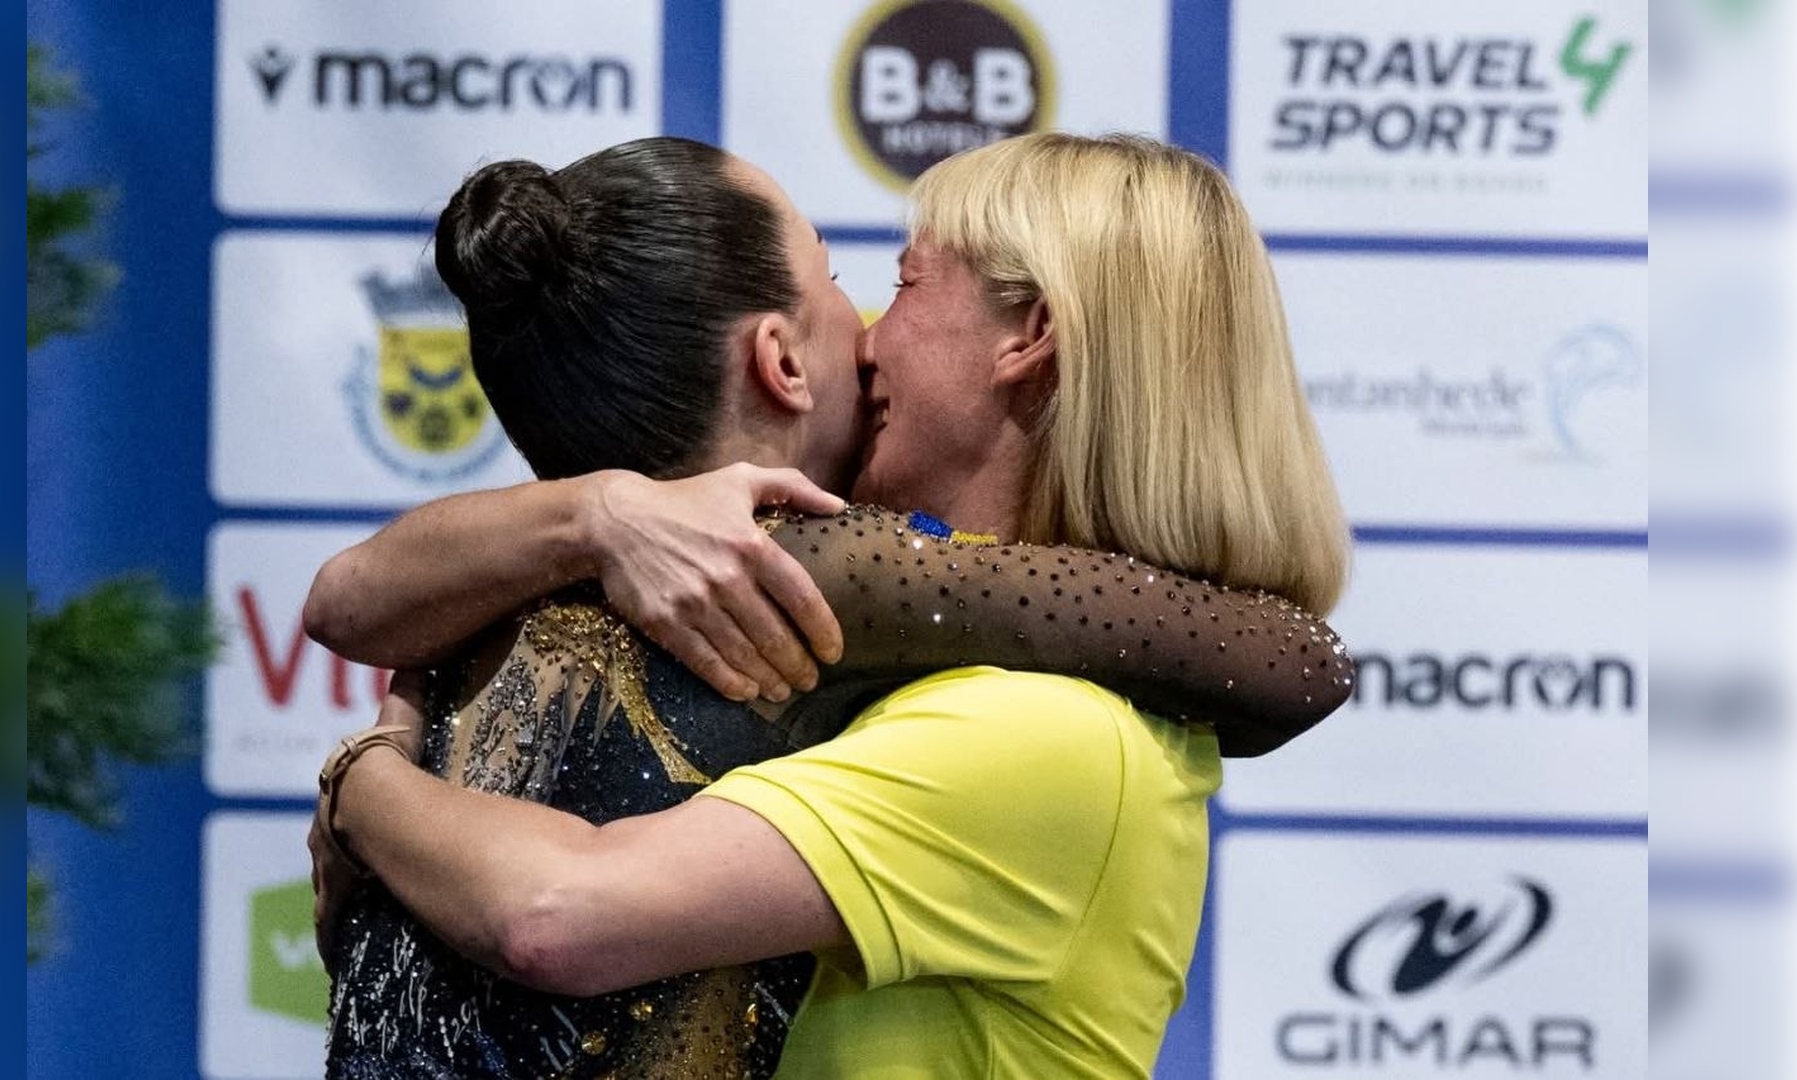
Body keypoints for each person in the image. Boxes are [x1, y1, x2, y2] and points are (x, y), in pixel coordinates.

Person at [313, 133, 1351, 1078]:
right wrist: (601, 515)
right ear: (775, 360)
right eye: (859, 285)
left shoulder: (1045, 729)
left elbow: (546, 910)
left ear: (1031, 336)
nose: (865, 335)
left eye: (900, 284)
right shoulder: (768, 588)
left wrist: (361, 783)